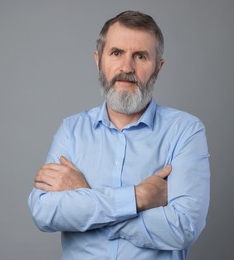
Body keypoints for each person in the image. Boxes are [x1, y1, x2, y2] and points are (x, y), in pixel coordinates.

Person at [28, 10, 210, 260]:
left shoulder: (185, 131)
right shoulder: (71, 130)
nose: (127, 67)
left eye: (140, 56)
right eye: (116, 53)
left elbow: (183, 227)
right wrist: (138, 197)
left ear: (158, 67)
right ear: (98, 60)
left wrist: (87, 199)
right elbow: (43, 212)